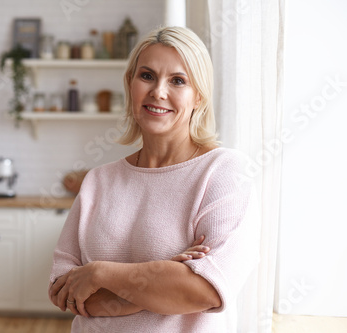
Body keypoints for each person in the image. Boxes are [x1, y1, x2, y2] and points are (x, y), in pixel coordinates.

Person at [49, 26, 259, 332]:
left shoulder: (225, 172)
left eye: (178, 80)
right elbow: (65, 293)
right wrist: (165, 279)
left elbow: (206, 291)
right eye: (146, 76)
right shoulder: (98, 181)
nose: (158, 91)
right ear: (130, 84)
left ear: (198, 96)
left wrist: (99, 274)